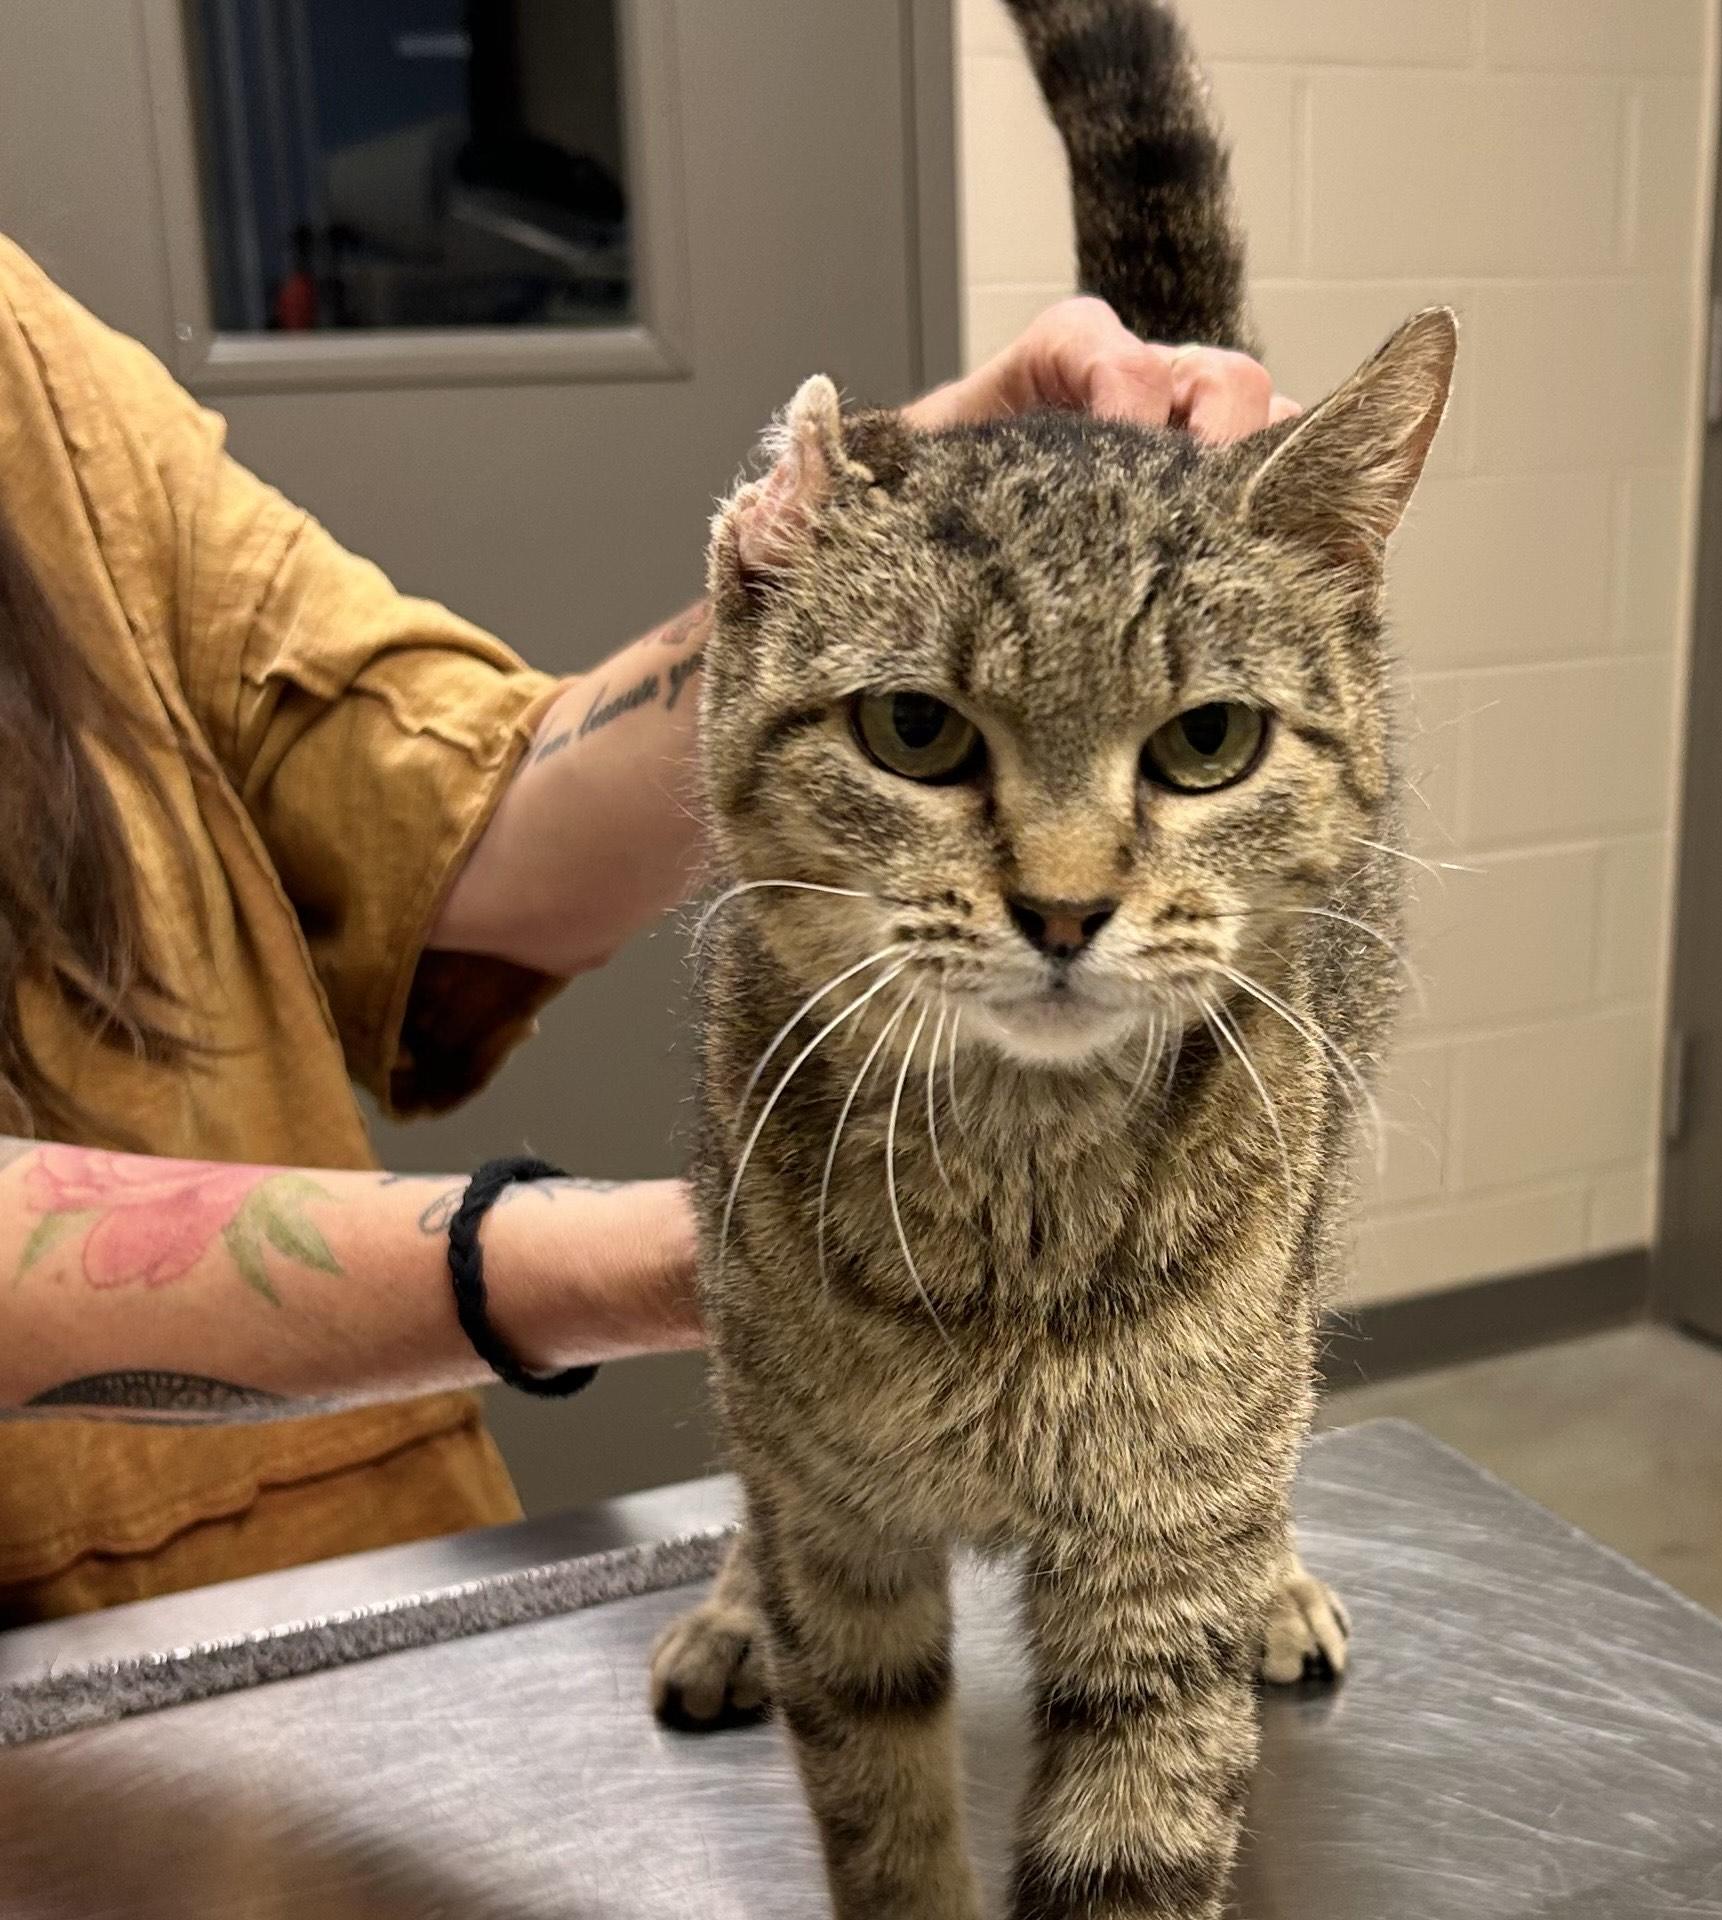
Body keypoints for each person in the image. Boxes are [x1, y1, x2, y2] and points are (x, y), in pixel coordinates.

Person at [0, 235, 1294, 1622]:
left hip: (329, 1567)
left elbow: (460, 818)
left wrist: (862, 535)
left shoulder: (29, 354)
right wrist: (698, 1257)